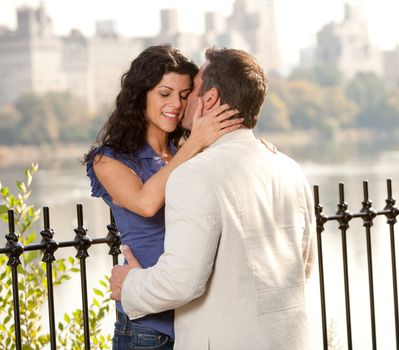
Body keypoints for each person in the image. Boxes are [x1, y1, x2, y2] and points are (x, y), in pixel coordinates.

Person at [110, 48, 316, 350]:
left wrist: (128, 284)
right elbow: (304, 265)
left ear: (209, 99)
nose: (181, 103)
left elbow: (182, 282)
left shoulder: (194, 175)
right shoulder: (290, 168)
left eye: (191, 91)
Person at [84, 44, 243, 349]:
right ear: (141, 94)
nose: (177, 104)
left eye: (185, 95)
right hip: (147, 329)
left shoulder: (189, 154)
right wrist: (195, 142)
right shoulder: (108, 160)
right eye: (165, 93)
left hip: (197, 324)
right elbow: (146, 203)